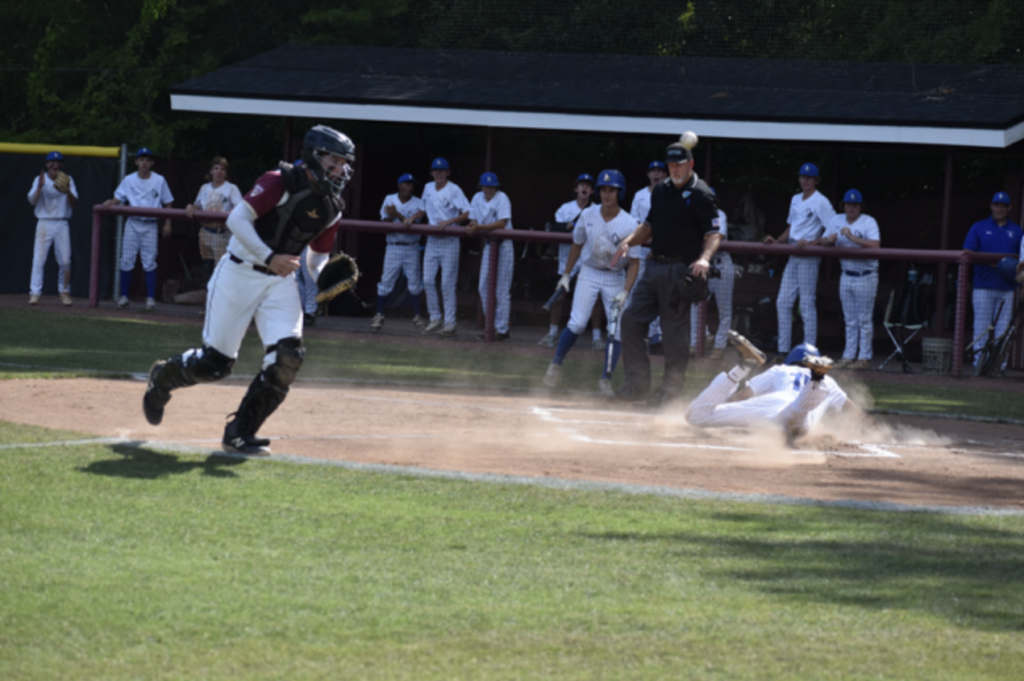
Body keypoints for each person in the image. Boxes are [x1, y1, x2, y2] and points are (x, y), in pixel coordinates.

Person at [141, 125, 355, 455]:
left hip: (280, 281)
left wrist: (324, 276)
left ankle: (240, 433)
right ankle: (163, 378)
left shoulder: (332, 206)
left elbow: (317, 257)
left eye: (344, 163)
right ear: (315, 156)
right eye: (335, 161)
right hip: (239, 273)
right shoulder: (278, 181)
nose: (341, 170)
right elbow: (237, 221)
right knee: (215, 365)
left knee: (289, 357)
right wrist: (270, 257)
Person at [613, 141, 721, 407]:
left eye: (679, 164)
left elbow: (714, 234)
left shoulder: (701, 194)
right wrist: (628, 241)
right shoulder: (660, 190)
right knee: (631, 320)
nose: (675, 169)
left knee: (673, 334)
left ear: (691, 164)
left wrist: (705, 259)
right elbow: (648, 226)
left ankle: (670, 391)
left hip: (680, 270)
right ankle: (636, 385)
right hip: (654, 267)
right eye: (671, 165)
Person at [542, 170, 641, 390]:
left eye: (612, 190)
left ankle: (605, 379)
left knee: (616, 330)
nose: (607, 194)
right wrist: (566, 275)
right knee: (577, 323)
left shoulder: (630, 223)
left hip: (615, 276)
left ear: (619, 193)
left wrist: (626, 290)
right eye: (604, 190)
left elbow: (634, 262)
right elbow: (577, 245)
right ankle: (555, 365)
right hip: (589, 272)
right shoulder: (588, 214)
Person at [685, 330, 847, 439]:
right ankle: (816, 379)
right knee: (796, 422)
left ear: (790, 359)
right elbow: (853, 411)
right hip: (797, 407)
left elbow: (741, 397)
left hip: (769, 404)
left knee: (696, 417)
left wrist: (720, 408)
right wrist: (871, 425)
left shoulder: (780, 369)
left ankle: (743, 367)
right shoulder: (830, 382)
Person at [763, 163, 836, 355]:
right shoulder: (795, 198)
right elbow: (791, 228)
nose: (805, 180)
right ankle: (783, 350)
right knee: (783, 302)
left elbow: (834, 228)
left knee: (806, 303)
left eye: (809, 177)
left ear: (816, 180)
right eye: (802, 176)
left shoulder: (821, 201)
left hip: (809, 256)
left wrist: (813, 242)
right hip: (793, 254)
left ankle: (809, 352)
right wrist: (777, 241)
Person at [104, 148, 174, 312]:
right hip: (133, 223)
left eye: (147, 160)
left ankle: (150, 300)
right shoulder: (128, 179)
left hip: (150, 224)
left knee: (149, 262)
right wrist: (111, 202)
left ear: (151, 163)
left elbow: (168, 201)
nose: (144, 162)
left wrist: (168, 224)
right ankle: (124, 298)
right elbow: (118, 197)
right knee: (126, 260)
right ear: (136, 162)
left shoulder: (159, 180)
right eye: (141, 159)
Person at [821, 189, 881, 370]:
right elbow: (822, 241)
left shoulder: (868, 221)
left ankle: (863, 357)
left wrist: (851, 237)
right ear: (844, 205)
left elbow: (876, 244)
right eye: (848, 204)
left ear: (861, 206)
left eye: (855, 204)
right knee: (849, 318)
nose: (851, 207)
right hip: (846, 274)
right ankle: (848, 356)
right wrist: (830, 240)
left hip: (866, 275)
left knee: (864, 318)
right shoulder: (836, 220)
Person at [963, 191, 1024, 365]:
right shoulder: (978, 227)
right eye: (997, 205)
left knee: (1003, 329)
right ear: (991, 206)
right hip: (983, 285)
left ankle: (999, 366)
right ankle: (979, 363)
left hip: (1008, 286)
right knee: (981, 327)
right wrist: (987, 260)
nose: (999, 209)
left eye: (1003, 206)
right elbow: (967, 252)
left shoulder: (1017, 230)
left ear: (1009, 208)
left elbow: (1022, 258)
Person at [539, 173, 595, 348]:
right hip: (567, 262)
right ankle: (552, 333)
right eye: (581, 185)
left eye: (588, 185)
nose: (584, 188)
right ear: (576, 189)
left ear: (592, 191)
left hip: (588, 263)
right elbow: (554, 228)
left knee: (595, 300)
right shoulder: (565, 208)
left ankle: (597, 337)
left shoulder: (597, 209)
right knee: (559, 297)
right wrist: (568, 226)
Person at [421, 157, 470, 337]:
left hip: (450, 239)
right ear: (432, 172)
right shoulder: (427, 187)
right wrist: (410, 218)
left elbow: (468, 212)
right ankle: (435, 318)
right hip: (432, 240)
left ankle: (450, 322)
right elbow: (423, 208)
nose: (439, 173)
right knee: (427, 280)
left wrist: (450, 221)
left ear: (448, 172)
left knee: (447, 283)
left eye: (442, 170)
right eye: (436, 170)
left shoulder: (454, 189)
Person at [371, 173, 427, 332]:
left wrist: (395, 214)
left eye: (412, 184)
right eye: (407, 184)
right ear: (399, 185)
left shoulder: (418, 203)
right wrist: (390, 216)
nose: (410, 187)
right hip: (393, 245)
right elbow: (384, 223)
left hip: (411, 246)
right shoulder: (390, 198)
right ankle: (379, 314)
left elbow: (411, 224)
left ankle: (417, 316)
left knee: (415, 283)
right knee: (386, 281)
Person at [466, 172, 514, 341]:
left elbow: (502, 223)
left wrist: (478, 227)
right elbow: (472, 220)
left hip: (504, 245)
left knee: (502, 290)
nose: (488, 189)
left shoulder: (502, 198)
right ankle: (491, 327)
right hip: (488, 245)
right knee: (483, 286)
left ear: (496, 186)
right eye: (485, 186)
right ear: (481, 186)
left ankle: (502, 330)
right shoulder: (477, 198)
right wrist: (473, 226)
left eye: (491, 186)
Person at [26, 150, 77, 306]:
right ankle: (35, 293)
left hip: (62, 223)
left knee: (65, 260)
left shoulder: (68, 180)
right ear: (47, 164)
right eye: (52, 163)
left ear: (61, 165)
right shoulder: (39, 180)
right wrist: (40, 187)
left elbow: (74, 203)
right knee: (39, 259)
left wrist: (68, 190)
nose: (55, 166)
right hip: (44, 222)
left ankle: (64, 292)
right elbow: (32, 201)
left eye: (58, 164)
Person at [690, 187, 734, 359]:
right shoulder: (693, 214)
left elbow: (717, 237)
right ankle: (697, 342)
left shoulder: (720, 214)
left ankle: (719, 345)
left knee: (724, 309)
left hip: (722, 265)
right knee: (695, 305)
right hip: (702, 265)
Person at [185, 156, 244, 286]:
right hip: (205, 232)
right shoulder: (204, 188)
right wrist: (190, 207)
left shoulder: (231, 188)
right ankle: (208, 303)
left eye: (222, 169)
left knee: (221, 271)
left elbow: (240, 209)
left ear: (226, 172)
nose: (219, 171)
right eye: (216, 168)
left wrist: (231, 214)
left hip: (222, 233)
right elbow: (197, 205)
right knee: (207, 268)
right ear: (211, 171)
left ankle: (221, 303)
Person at [630, 161, 667, 354]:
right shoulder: (640, 195)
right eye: (653, 171)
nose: (657, 174)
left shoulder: (670, 193)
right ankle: (638, 332)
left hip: (662, 249)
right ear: (648, 175)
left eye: (660, 171)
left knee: (660, 290)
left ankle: (656, 335)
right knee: (638, 290)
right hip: (642, 249)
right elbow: (633, 221)